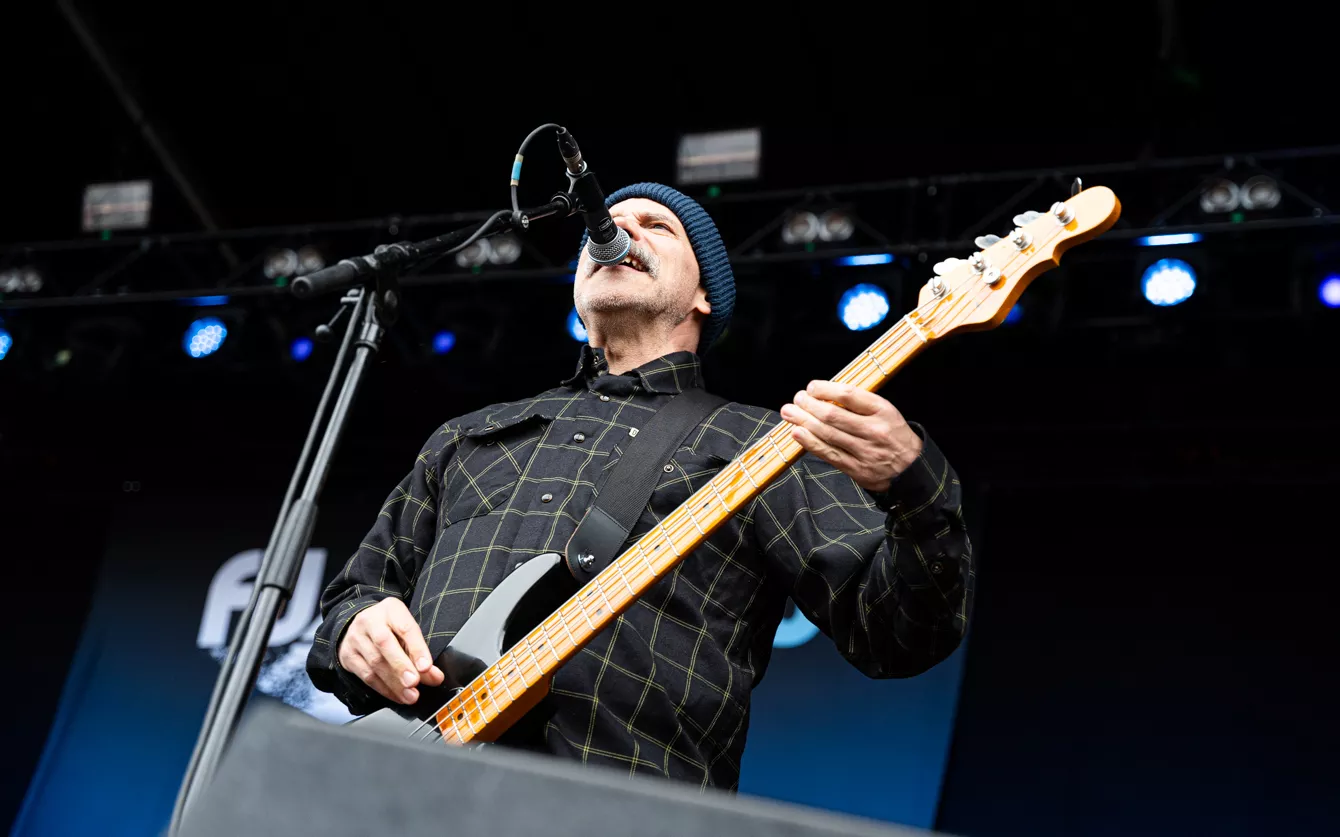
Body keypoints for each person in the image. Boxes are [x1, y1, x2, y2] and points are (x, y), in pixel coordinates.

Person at [306, 182, 973, 791]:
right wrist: (352, 629)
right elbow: (356, 594)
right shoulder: (468, 437)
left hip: (622, 803)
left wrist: (914, 486)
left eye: (657, 226)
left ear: (704, 295)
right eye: (606, 224)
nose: (617, 233)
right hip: (400, 792)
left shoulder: (763, 445)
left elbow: (898, 632)